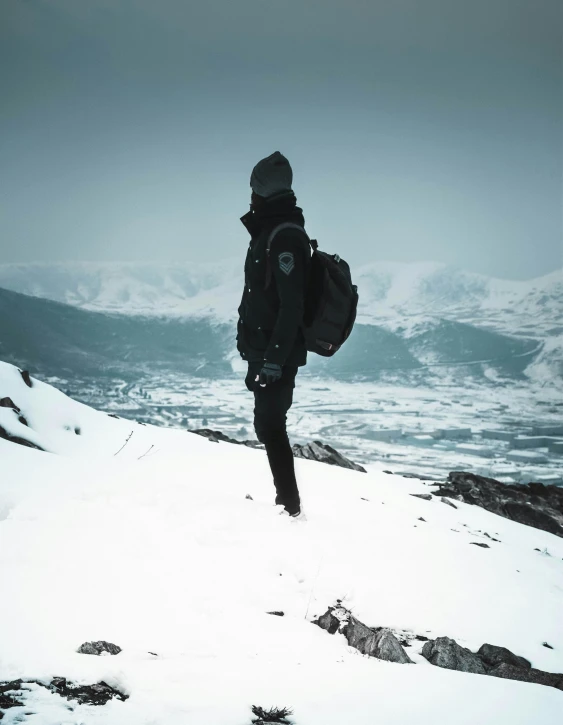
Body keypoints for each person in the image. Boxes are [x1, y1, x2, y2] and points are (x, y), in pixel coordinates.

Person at [237, 151, 311, 517]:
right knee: (266, 425)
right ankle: (288, 502)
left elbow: (291, 305)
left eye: (253, 186)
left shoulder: (285, 237)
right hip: (262, 350)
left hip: (274, 355)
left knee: (270, 424)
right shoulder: (268, 230)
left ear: (261, 189)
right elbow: (258, 294)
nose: (249, 193)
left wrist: (273, 361)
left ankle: (290, 506)